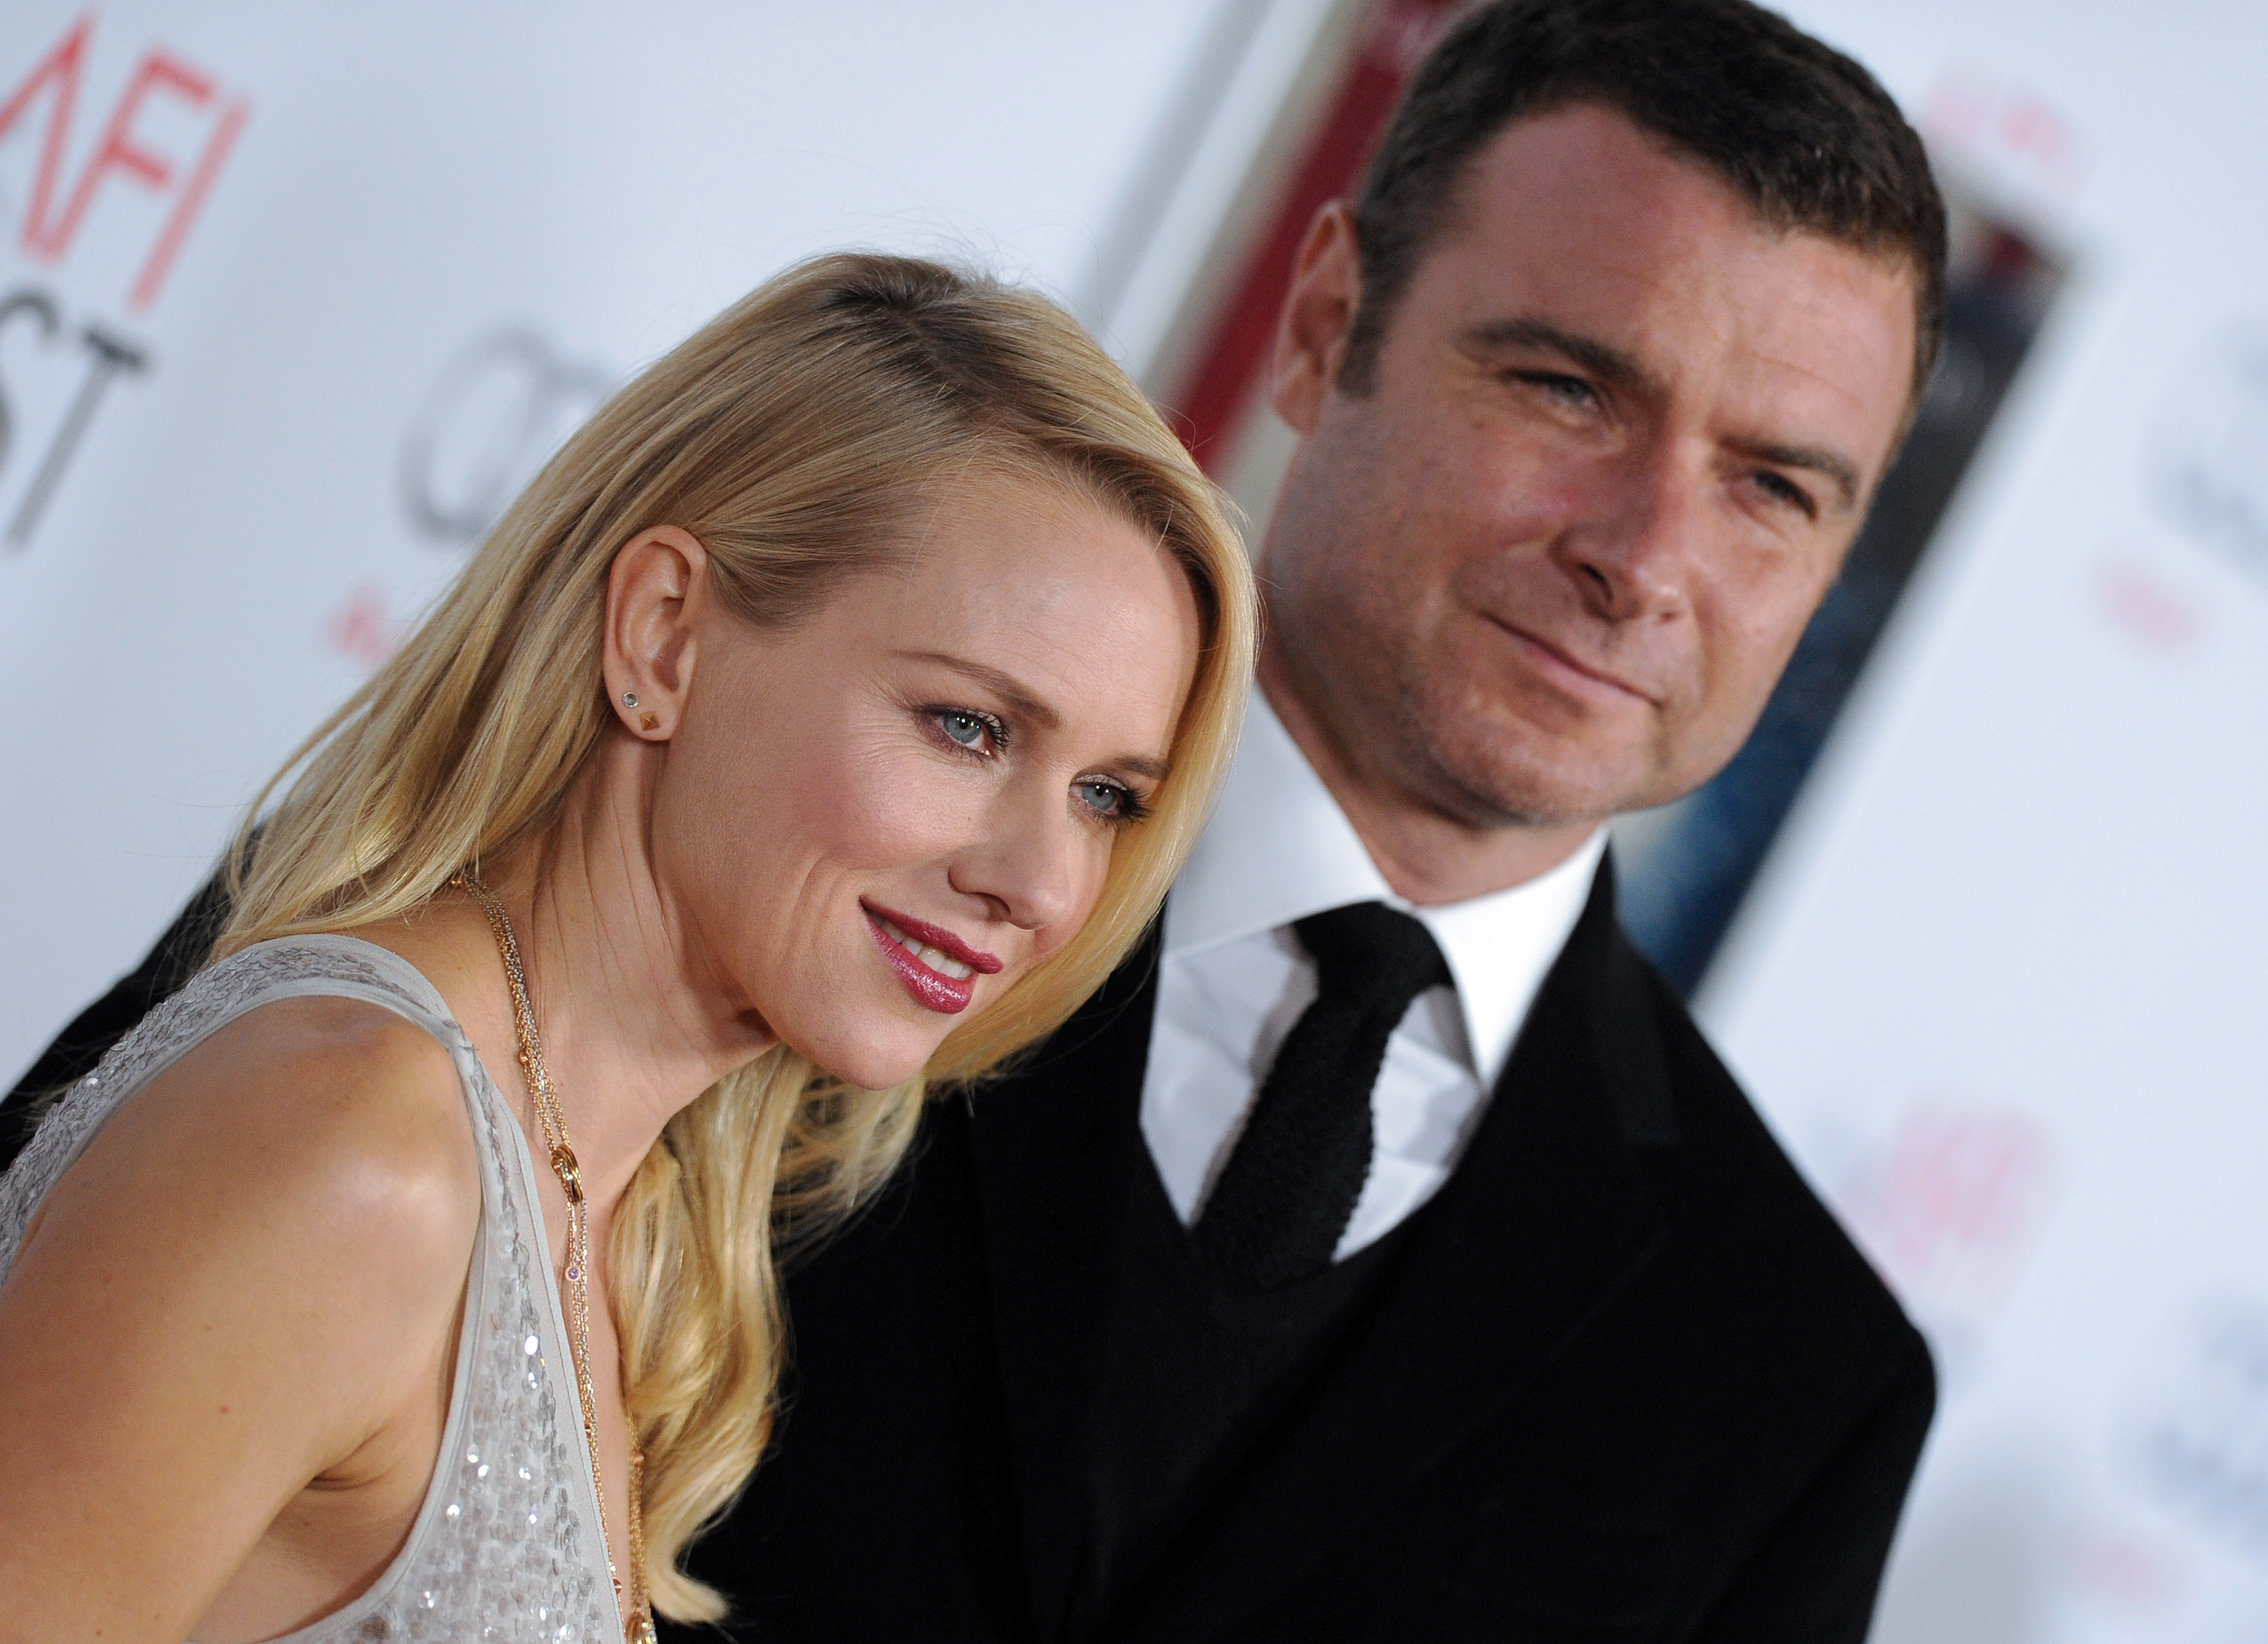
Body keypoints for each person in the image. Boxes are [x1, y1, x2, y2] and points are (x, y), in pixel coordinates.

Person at [6, 0, 1948, 1638]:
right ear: (1324, 320)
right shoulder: (637, 900)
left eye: (1775, 486)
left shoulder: (1799, 1385)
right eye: (1568, 388)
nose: (1644, 556)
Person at [0, 253, 1257, 1642]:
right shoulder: (359, 1146)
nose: (1041, 884)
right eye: (969, 727)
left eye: (1107, 799)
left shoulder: (627, 1224)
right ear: (663, 638)